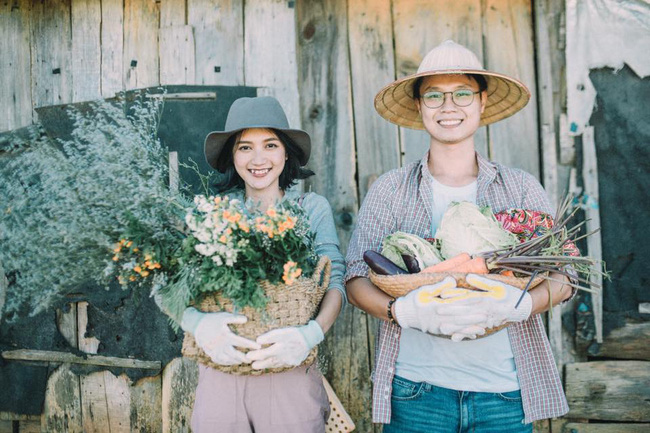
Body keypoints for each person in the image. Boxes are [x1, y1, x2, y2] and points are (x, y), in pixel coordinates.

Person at [345, 40, 574, 432]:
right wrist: (401, 312)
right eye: (434, 95)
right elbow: (354, 280)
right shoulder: (391, 189)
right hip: (416, 392)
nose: (448, 106)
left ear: (482, 102)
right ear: (419, 106)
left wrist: (520, 306)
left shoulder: (520, 188)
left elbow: (564, 278)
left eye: (462, 93)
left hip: (504, 394)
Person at [173, 96, 346, 432]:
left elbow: (334, 280)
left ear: (286, 153)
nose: (258, 159)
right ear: (232, 156)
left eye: (270, 144)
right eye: (244, 147)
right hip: (223, 368)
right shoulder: (212, 213)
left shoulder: (312, 209)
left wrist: (310, 335)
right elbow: (167, 284)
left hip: (289, 372)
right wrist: (197, 324)